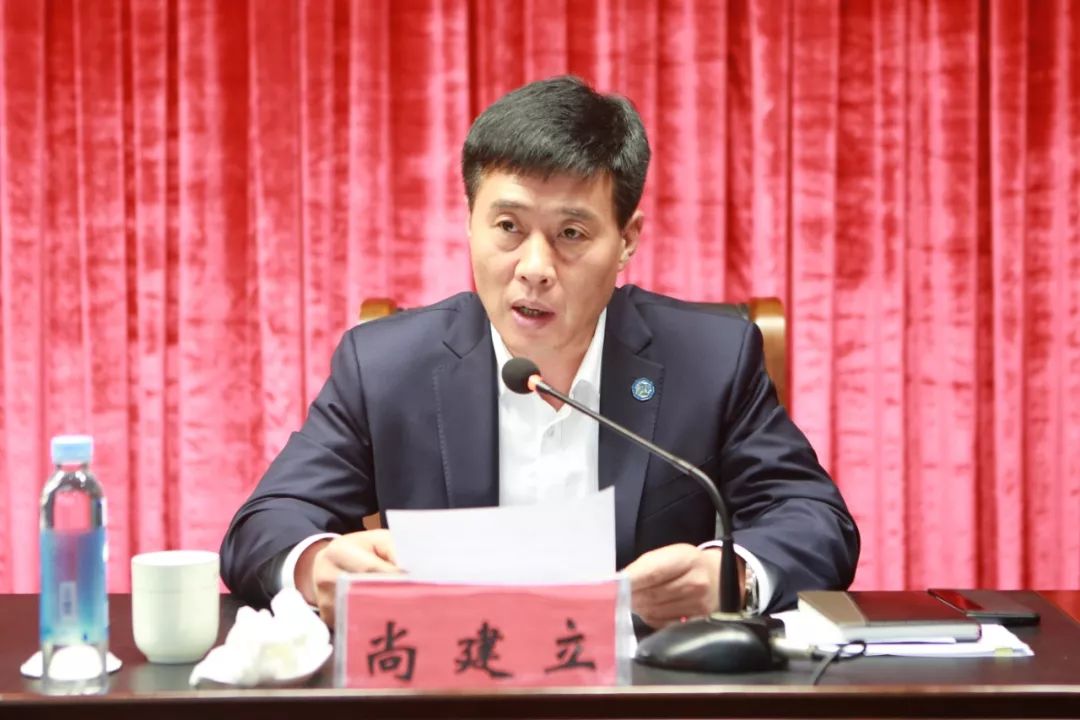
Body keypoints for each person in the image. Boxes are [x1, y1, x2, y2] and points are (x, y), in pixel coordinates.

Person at [220, 76, 859, 628]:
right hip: (448, 690)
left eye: (571, 233)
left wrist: (731, 576)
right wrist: (315, 565)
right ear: (469, 220)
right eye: (508, 227)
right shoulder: (386, 366)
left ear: (627, 238)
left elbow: (814, 518)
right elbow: (265, 524)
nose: (534, 268)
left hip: (643, 692)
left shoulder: (709, 360)